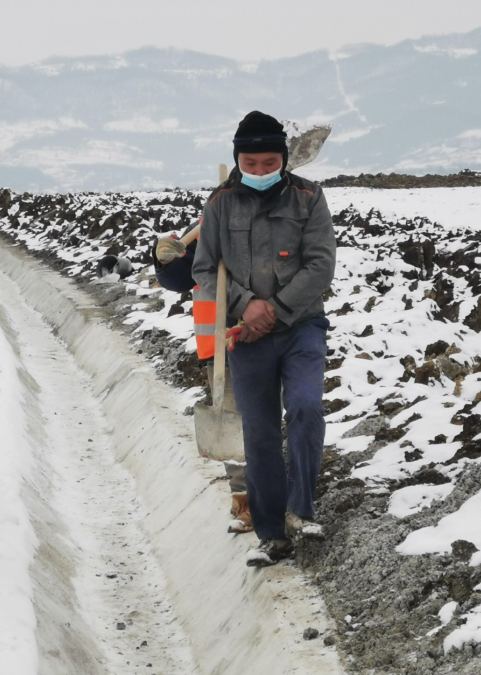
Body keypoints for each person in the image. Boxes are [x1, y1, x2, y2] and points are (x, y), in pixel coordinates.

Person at [192, 111, 336, 567]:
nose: (259, 171)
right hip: (244, 337)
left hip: (301, 328)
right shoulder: (219, 203)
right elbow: (203, 269)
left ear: (284, 160)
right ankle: (272, 533)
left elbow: (320, 265)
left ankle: (301, 510)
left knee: (307, 408)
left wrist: (271, 310)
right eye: (250, 163)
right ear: (238, 160)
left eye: (269, 162)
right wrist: (244, 305)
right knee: (258, 433)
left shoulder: (309, 198)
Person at [152, 180, 253, 535]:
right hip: (219, 343)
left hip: (263, 333)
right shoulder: (204, 227)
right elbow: (180, 276)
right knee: (228, 420)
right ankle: (244, 500)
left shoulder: (266, 225)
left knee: (262, 421)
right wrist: (164, 260)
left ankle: (271, 494)